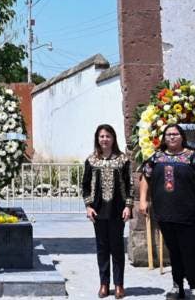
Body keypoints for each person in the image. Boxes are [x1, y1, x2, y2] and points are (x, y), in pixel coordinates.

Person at [138, 123, 195, 300]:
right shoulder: (156, 158)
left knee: (190, 251)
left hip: (190, 214)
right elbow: (145, 178)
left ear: (182, 137)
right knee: (174, 251)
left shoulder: (193, 158)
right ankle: (177, 286)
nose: (172, 137)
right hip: (165, 213)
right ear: (164, 138)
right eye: (168, 134)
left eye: (175, 134)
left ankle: (194, 286)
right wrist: (143, 200)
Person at [81, 124, 133, 299]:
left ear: (113, 138)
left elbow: (130, 185)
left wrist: (128, 206)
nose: (105, 139)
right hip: (98, 211)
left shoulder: (123, 160)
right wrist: (88, 206)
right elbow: (85, 185)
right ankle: (104, 284)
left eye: (108, 136)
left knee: (117, 248)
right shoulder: (91, 160)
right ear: (97, 138)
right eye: (102, 136)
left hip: (118, 210)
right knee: (102, 248)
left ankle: (119, 285)